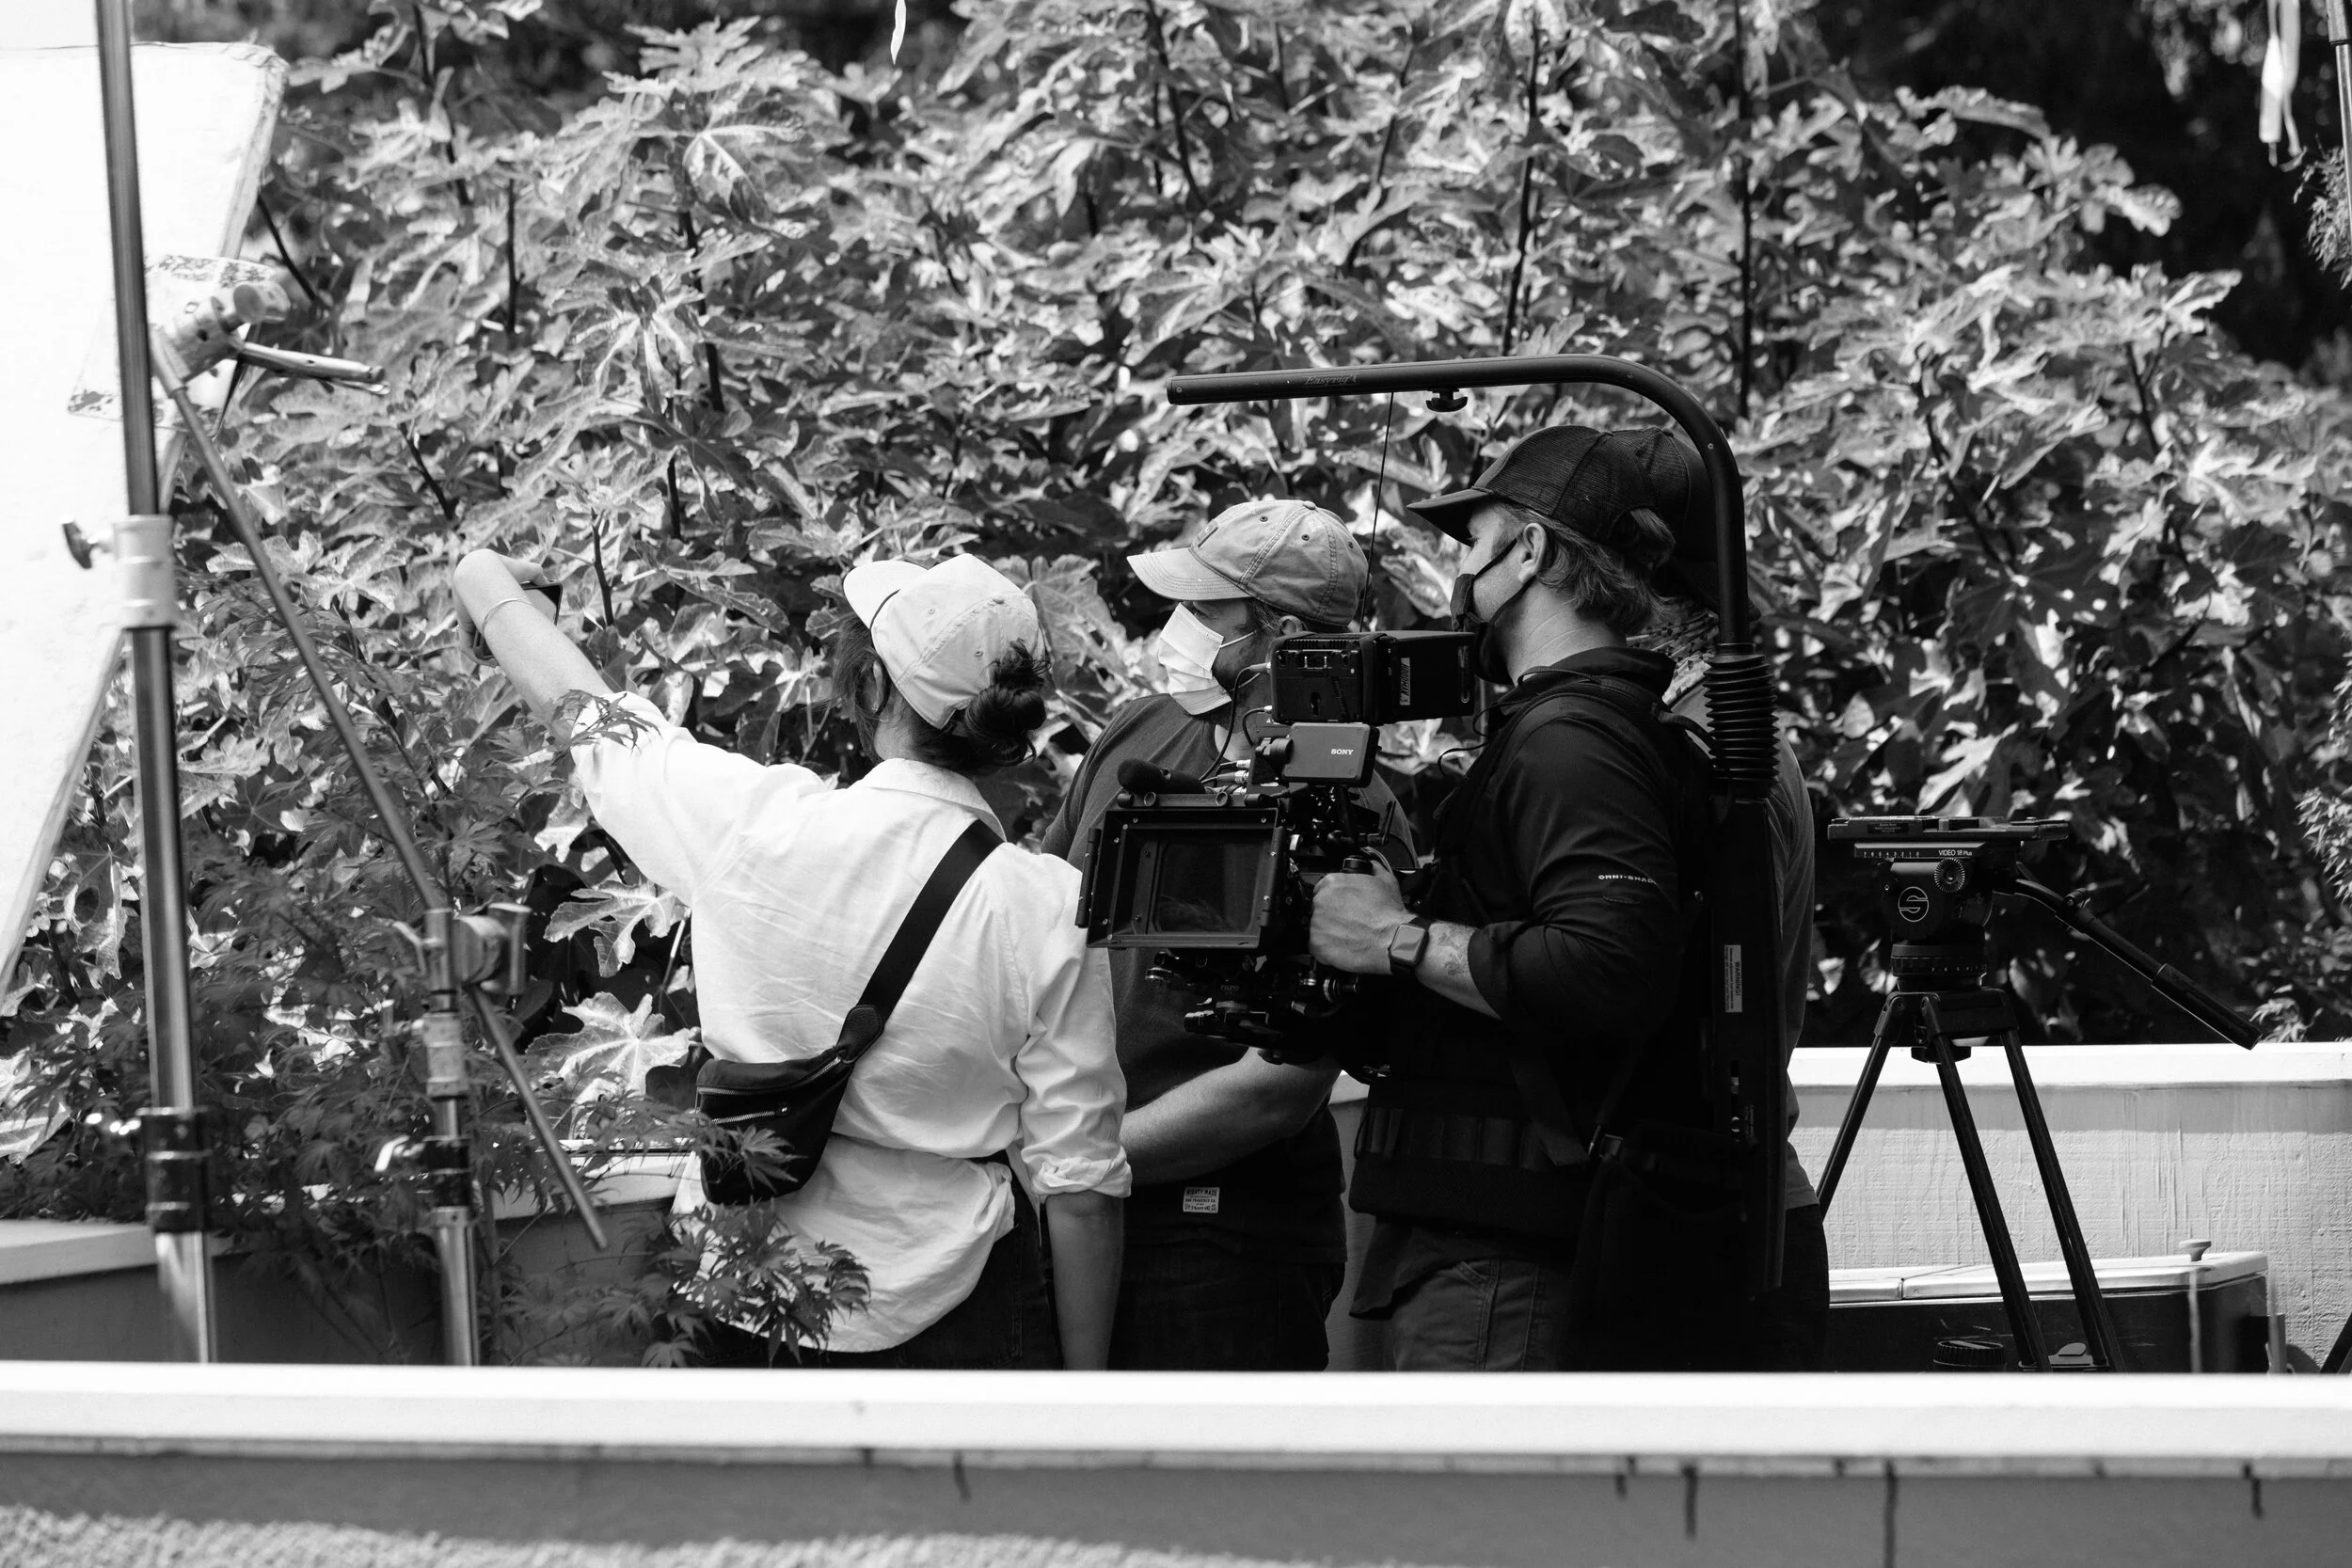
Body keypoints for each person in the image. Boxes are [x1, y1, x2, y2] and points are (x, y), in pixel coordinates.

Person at [452, 547, 1130, 1369]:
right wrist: (1085, 1400)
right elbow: (1082, 1187)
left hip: (749, 1291)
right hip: (958, 1307)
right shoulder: (1045, 906)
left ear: (872, 687)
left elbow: (594, 721)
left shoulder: (754, 825)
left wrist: (486, 582)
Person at [1305, 425, 1829, 1371]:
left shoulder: (1584, 740)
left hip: (1525, 1259)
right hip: (1579, 1228)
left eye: (1474, 542)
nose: (1460, 572)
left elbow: (1609, 963)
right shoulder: (1637, 734)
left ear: (1533, 551)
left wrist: (1397, 938)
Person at [1040, 498, 1414, 1370]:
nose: (1178, 629)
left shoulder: (1350, 809)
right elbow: (1037, 917)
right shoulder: (1142, 727)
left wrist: (1083, 1162)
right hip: (1075, 1200)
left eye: (1205, 610)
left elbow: (1278, 1087)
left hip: (1219, 1242)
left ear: (1281, 637)